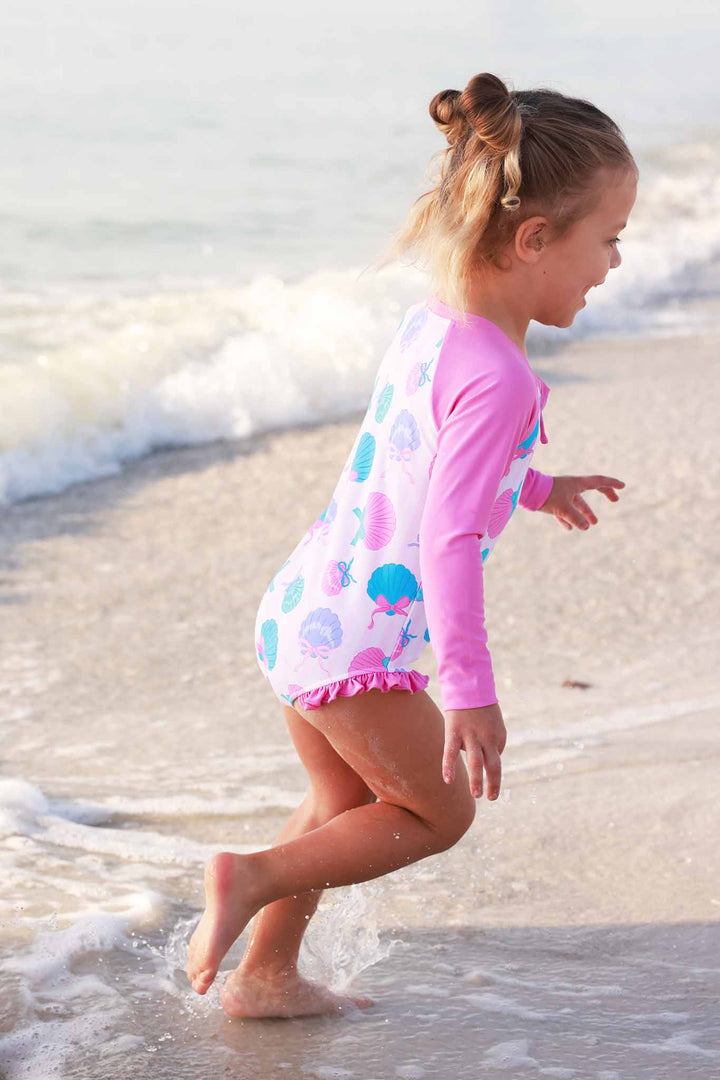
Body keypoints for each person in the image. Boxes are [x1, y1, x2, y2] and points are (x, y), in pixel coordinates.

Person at [186, 71, 637, 1018]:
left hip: (306, 607)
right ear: (534, 239)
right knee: (439, 812)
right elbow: (449, 537)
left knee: (343, 803)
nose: (614, 263)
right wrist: (470, 690)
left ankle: (265, 977)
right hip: (363, 645)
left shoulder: (433, 324)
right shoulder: (501, 378)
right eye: (608, 239)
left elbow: (428, 466)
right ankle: (252, 876)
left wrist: (541, 486)